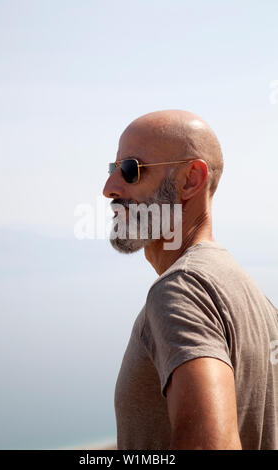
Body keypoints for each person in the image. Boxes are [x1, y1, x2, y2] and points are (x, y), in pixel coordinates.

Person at [102, 109, 278, 450]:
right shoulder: (258, 301)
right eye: (113, 169)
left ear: (190, 180)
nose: (109, 188)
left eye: (129, 170)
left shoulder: (180, 291)